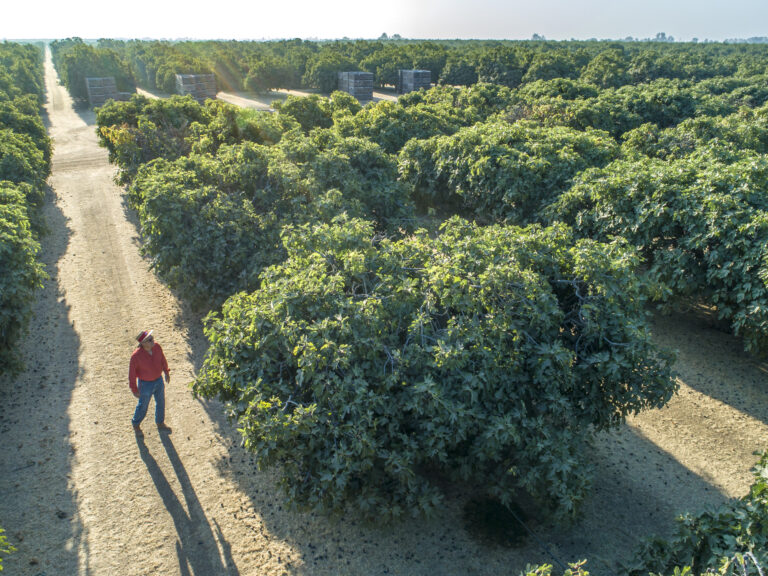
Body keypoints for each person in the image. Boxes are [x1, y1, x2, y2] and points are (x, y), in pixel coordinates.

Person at [129, 330, 172, 434]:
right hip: (145, 385)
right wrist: (134, 390)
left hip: (158, 380)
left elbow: (163, 359)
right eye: (150, 339)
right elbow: (132, 375)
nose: (153, 340)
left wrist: (166, 372)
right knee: (143, 406)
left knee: (161, 402)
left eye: (152, 338)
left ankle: (160, 423)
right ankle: (136, 424)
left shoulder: (157, 347)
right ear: (143, 343)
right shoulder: (135, 357)